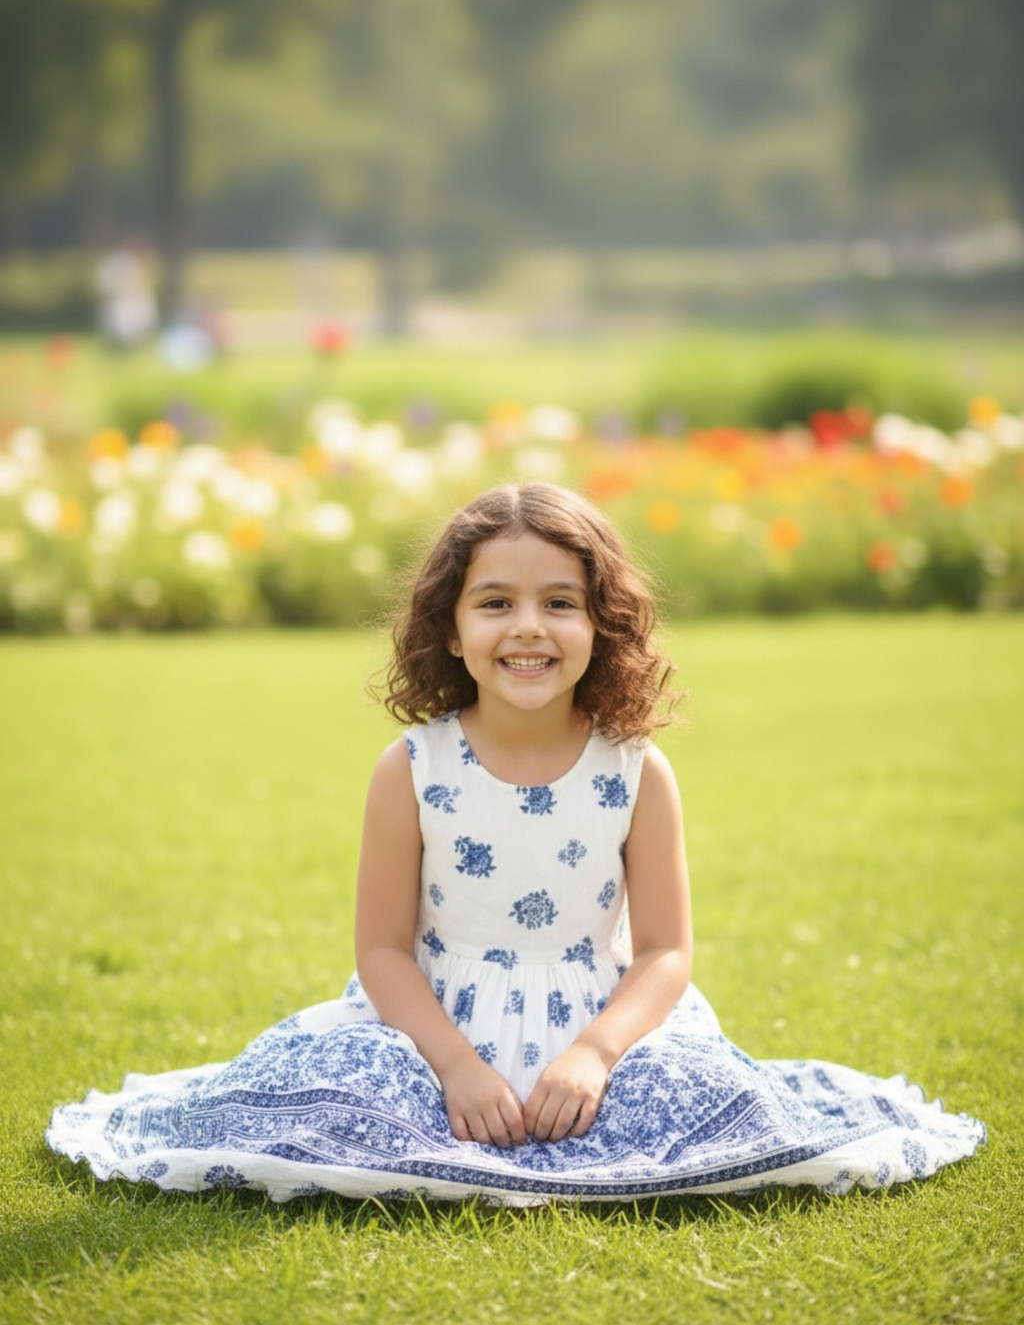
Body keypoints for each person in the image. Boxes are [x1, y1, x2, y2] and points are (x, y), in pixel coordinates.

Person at [46, 484, 985, 1202]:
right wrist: (454, 1063)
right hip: (436, 1021)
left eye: (560, 603)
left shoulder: (635, 770)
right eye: (495, 603)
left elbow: (664, 953)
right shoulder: (410, 769)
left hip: (598, 1020)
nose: (527, 628)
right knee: (337, 1090)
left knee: (706, 1097)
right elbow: (379, 950)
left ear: (600, 626)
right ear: (451, 630)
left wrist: (595, 1055)